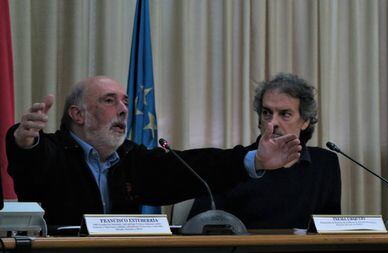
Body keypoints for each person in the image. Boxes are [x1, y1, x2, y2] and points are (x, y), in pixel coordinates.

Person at [5, 76, 302, 227]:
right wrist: (25, 142)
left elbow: (197, 166)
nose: (123, 109)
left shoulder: (132, 158)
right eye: (110, 101)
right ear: (78, 114)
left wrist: (256, 159)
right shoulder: (54, 152)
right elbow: (33, 163)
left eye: (124, 101)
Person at [189, 73, 341, 229]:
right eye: (267, 113)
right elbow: (197, 226)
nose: (272, 122)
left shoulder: (326, 164)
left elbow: (332, 231)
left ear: (305, 121)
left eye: (285, 114)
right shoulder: (233, 163)